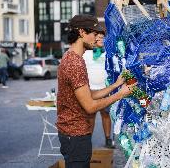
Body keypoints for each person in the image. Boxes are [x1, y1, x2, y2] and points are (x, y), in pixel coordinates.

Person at [56, 14, 136, 168]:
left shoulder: (72, 57)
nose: (97, 38)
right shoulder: (75, 63)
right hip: (75, 134)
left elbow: (87, 94)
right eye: (94, 33)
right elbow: (90, 106)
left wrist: (115, 86)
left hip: (72, 133)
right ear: (82, 32)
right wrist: (121, 94)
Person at [83, 31, 114, 148]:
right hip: (91, 91)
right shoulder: (87, 54)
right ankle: (87, 141)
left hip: (105, 90)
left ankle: (108, 139)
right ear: (94, 39)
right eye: (98, 37)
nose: (101, 39)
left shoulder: (108, 54)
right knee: (91, 116)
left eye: (102, 37)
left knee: (106, 115)